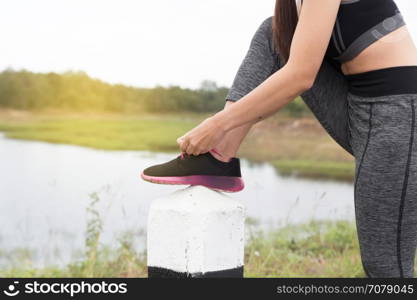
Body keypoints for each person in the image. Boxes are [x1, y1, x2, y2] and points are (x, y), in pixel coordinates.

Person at [141, 0, 417, 278]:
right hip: (357, 105)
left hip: (398, 113)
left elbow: (301, 75)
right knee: (275, 34)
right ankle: (217, 158)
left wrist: (216, 124)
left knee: (386, 270)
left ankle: (218, 142)